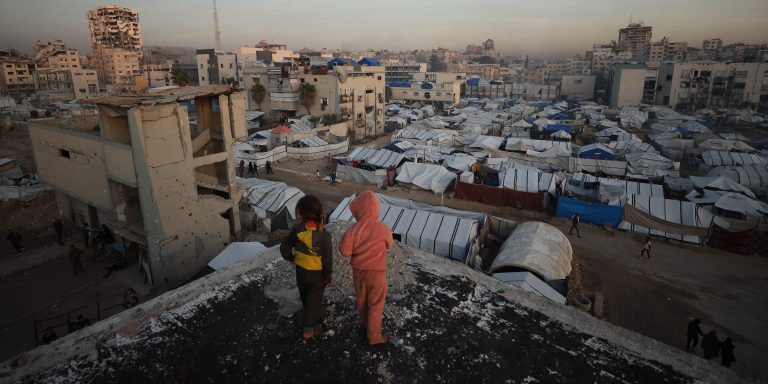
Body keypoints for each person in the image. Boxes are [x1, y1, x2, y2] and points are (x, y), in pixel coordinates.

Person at [339, 191, 394, 346]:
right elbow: (389, 244)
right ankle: (374, 336)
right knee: (375, 303)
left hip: (358, 271)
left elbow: (344, 251)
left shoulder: (354, 229)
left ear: (359, 211)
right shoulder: (383, 228)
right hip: (376, 272)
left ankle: (364, 322)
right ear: (376, 209)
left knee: (361, 299)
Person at [280, 195, 333, 341]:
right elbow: (327, 261)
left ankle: (312, 317)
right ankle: (308, 329)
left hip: (301, 271)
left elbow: (284, 248)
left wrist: (292, 258)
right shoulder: (325, 237)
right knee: (314, 297)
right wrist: (327, 277)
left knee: (305, 295)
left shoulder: (296, 230)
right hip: (317, 275)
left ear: (301, 214)